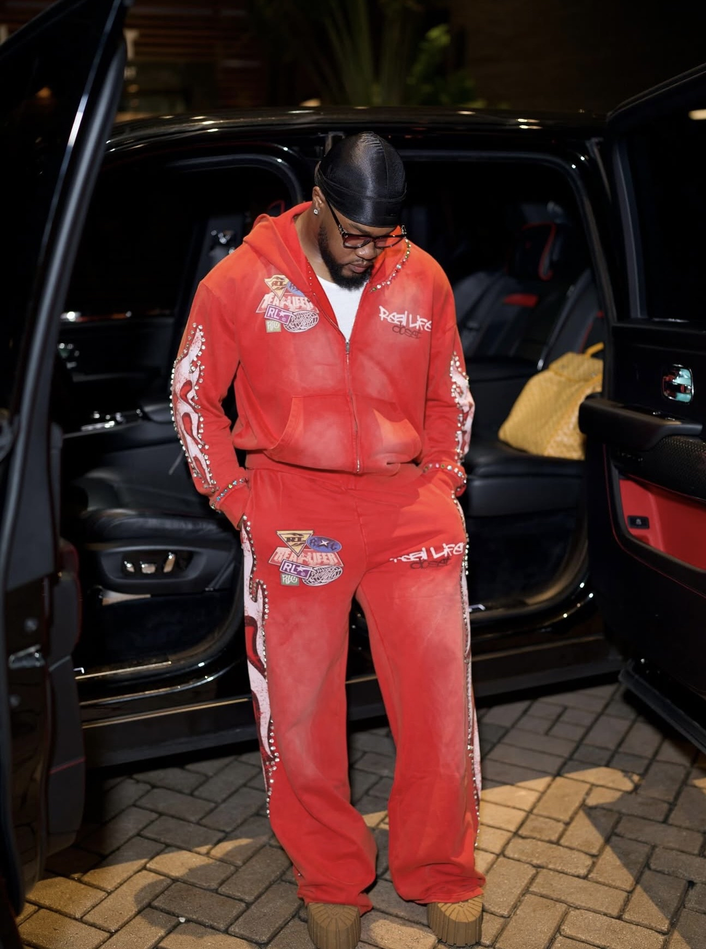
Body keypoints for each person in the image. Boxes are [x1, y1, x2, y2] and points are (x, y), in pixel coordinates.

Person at [171, 132, 484, 949]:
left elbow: (450, 392)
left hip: (408, 506)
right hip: (295, 510)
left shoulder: (422, 277)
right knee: (303, 706)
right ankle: (332, 874)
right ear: (317, 201)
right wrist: (235, 497)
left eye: (383, 237)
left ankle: (439, 869)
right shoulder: (240, 280)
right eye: (354, 235)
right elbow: (192, 394)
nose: (368, 252)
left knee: (438, 703)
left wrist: (443, 479)